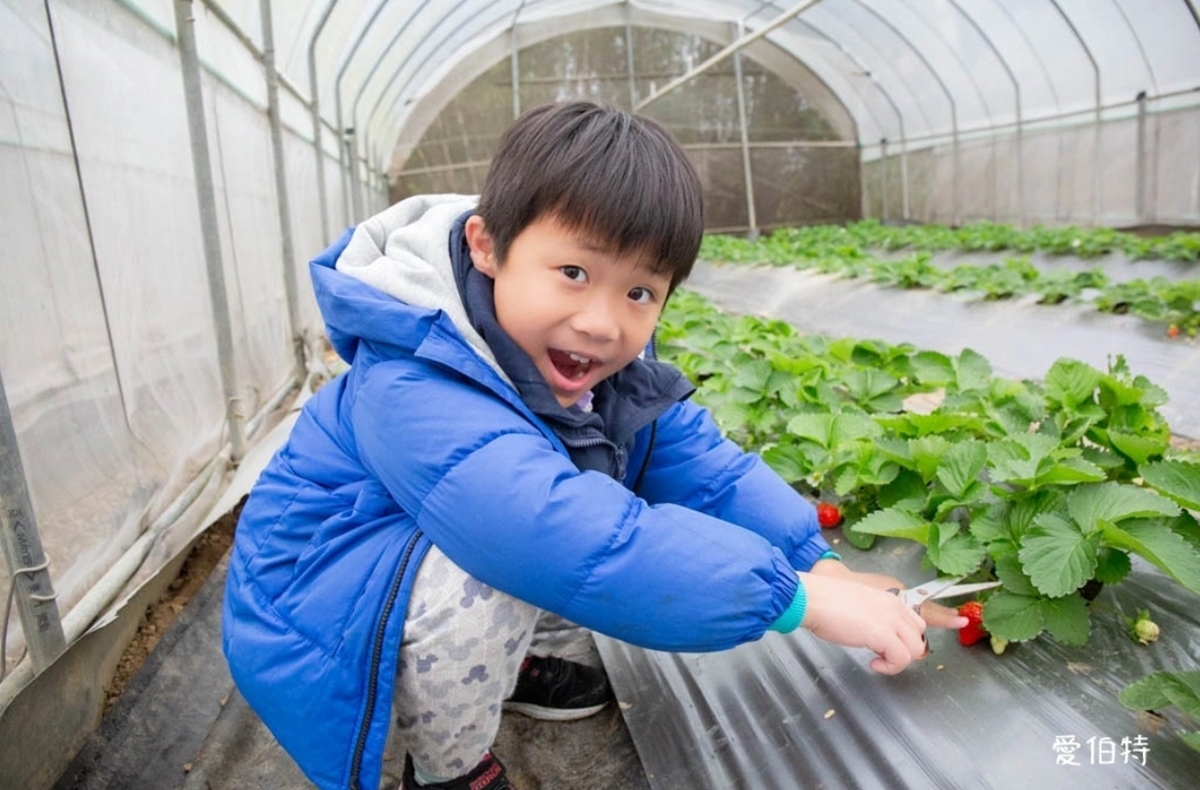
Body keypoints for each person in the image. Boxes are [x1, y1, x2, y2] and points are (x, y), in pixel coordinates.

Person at [222, 100, 967, 790]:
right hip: (325, 619)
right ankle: (448, 771)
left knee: (596, 517)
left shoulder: (585, 364)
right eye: (574, 273)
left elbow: (704, 473)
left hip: (409, 565)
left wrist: (817, 560)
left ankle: (518, 675)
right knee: (532, 552)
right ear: (488, 247)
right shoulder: (413, 378)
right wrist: (794, 600)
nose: (603, 322)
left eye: (639, 292)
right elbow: (547, 535)